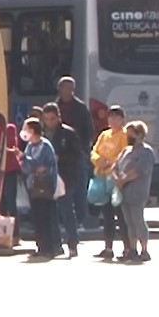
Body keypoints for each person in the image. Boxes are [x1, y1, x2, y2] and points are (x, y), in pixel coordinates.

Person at [41, 102, 84, 258]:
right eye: (46, 119)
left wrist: (61, 158)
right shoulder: (42, 134)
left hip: (64, 176)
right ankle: (55, 245)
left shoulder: (68, 133)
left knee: (66, 211)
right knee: (50, 211)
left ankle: (72, 243)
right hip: (46, 177)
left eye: (52, 118)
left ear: (58, 117)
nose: (49, 122)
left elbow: (78, 155)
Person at [52, 77, 93, 232]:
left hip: (76, 153)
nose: (67, 92)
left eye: (70, 89)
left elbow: (88, 130)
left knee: (79, 187)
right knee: (59, 188)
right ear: (60, 89)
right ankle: (61, 221)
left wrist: (82, 148)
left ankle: (80, 220)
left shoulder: (80, 108)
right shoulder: (54, 106)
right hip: (58, 154)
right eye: (64, 88)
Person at [90, 106, 130, 260]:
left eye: (116, 117)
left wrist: (111, 163)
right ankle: (108, 247)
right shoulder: (104, 135)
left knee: (121, 214)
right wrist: (99, 161)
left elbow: (125, 153)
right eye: (110, 117)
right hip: (102, 177)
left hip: (116, 178)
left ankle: (127, 247)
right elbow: (94, 151)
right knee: (106, 215)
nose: (113, 120)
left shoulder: (124, 135)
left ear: (122, 119)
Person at [113, 120, 157, 261]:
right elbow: (115, 166)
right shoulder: (126, 151)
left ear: (139, 134)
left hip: (137, 191)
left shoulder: (146, 152)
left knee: (138, 220)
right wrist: (116, 179)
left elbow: (138, 171)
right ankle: (132, 249)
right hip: (123, 192)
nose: (128, 137)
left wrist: (123, 180)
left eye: (131, 134)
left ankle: (144, 250)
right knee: (128, 221)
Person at [20, 117, 61, 259]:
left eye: (27, 129)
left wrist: (29, 162)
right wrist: (28, 163)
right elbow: (28, 167)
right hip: (32, 186)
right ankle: (40, 246)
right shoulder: (29, 147)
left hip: (45, 186)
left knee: (45, 217)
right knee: (36, 217)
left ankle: (49, 248)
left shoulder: (46, 146)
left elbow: (46, 167)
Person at [0, 121, 22, 218]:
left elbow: (13, 147)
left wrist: (1, 149)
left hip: (10, 170)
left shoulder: (10, 128)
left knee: (10, 201)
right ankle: (2, 228)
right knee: (0, 202)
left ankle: (14, 229)